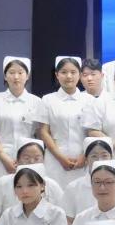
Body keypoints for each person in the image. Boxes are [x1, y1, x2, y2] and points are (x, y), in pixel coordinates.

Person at [0, 56, 43, 193]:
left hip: (29, 160)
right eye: (11, 72)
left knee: (26, 198)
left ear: (27, 76)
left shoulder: (36, 102)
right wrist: (4, 158)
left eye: (20, 72)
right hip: (0, 158)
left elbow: (41, 134)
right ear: (5, 76)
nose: (16, 77)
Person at [0, 140, 65, 225]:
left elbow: (64, 217)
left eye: (37, 158)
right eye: (26, 158)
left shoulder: (52, 185)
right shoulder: (3, 182)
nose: (31, 162)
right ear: (17, 161)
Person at [37, 56, 94, 187]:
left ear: (80, 75)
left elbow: (92, 132)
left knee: (82, 194)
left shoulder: (89, 100)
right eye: (64, 72)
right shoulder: (47, 100)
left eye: (73, 72)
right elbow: (44, 132)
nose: (69, 76)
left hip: (83, 160)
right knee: (55, 194)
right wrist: (60, 158)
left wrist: (84, 156)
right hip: (55, 159)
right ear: (57, 75)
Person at [60, 137, 115, 221]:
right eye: (94, 156)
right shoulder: (73, 187)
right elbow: (68, 220)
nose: (99, 160)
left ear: (111, 157)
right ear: (86, 160)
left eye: (104, 155)